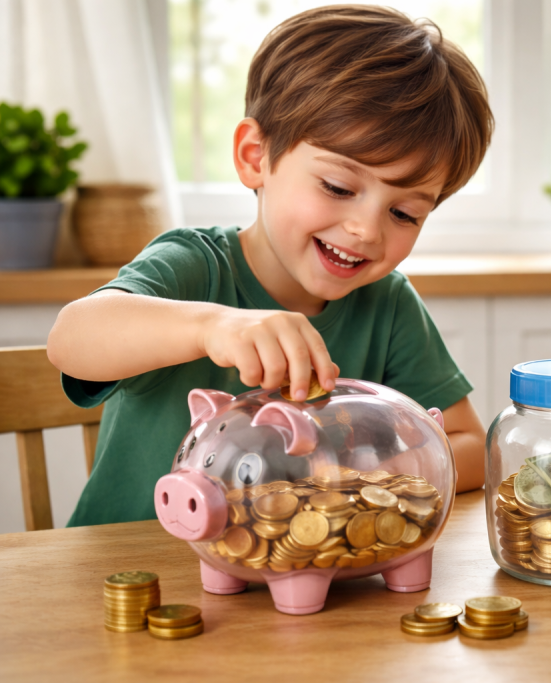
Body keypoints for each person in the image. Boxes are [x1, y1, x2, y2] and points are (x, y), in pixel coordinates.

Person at [48, 5, 493, 526]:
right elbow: (71, 339)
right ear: (255, 157)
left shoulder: (388, 303)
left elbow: (468, 445)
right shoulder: (194, 268)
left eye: (404, 212)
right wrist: (211, 326)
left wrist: (351, 474)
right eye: (338, 187)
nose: (367, 230)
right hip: (130, 579)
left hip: (295, 583)